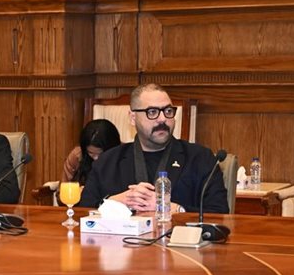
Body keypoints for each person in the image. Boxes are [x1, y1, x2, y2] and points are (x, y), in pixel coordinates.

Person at [80, 83, 229, 214]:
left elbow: (220, 214)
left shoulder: (200, 158)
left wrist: (174, 209)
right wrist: (114, 202)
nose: (163, 119)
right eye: (152, 112)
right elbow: (83, 211)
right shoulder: (107, 162)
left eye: (168, 111)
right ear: (132, 118)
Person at [61, 118, 120, 185]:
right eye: (91, 153)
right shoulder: (77, 156)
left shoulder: (124, 156)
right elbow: (64, 185)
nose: (96, 158)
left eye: (100, 154)